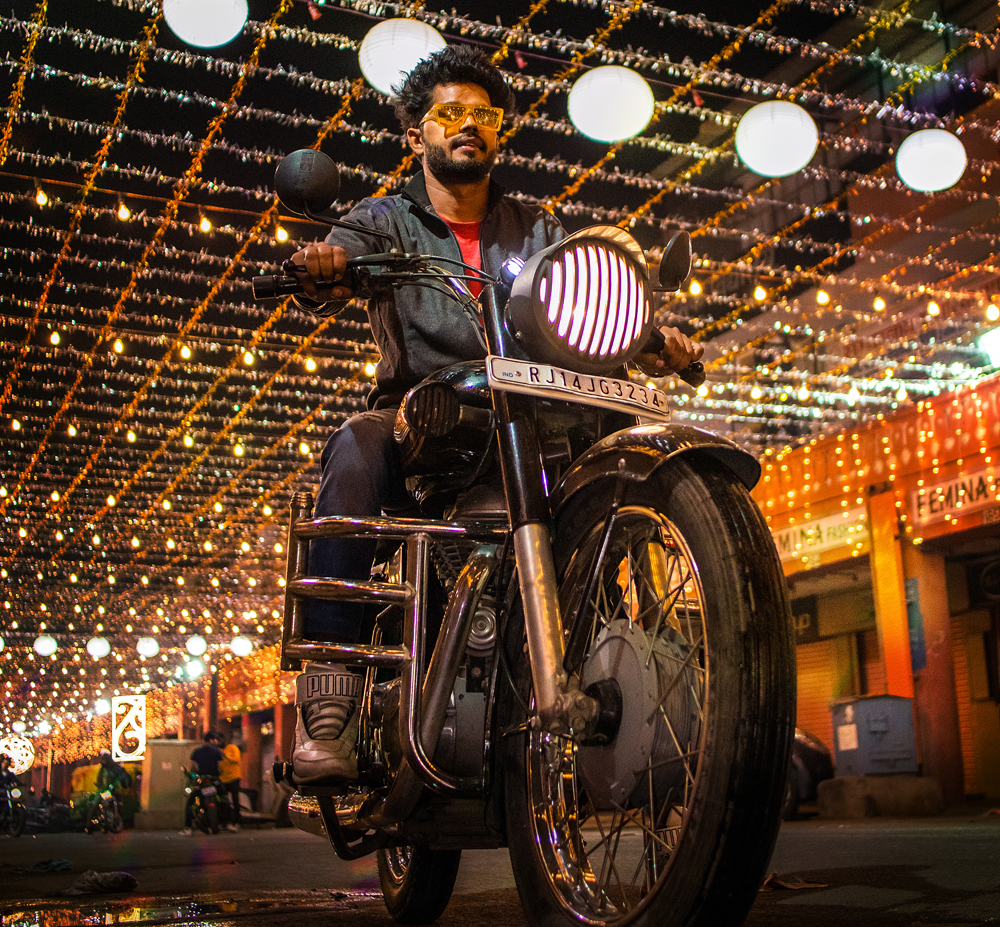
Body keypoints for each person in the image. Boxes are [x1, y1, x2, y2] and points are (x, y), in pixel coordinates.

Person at [287, 44, 703, 783]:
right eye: (449, 113)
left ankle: (625, 653)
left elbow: (581, 302)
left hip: (529, 420)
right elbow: (332, 266)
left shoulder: (539, 226)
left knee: (609, 458)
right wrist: (323, 265)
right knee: (353, 444)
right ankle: (332, 703)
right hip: (425, 416)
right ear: (416, 134)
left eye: (483, 114)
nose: (469, 126)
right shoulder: (383, 219)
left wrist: (648, 337)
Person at [182, 732, 224, 834]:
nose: (216, 742)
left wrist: (194, 776)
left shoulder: (196, 752)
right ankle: (226, 823)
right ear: (211, 740)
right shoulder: (217, 752)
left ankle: (188, 827)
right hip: (214, 780)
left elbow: (192, 767)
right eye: (214, 740)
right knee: (224, 798)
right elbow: (221, 768)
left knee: (190, 803)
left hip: (200, 781)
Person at [219, 735, 243, 830]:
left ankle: (236, 821)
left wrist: (225, 754)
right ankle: (224, 822)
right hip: (223, 779)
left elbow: (236, 759)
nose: (219, 742)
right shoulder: (217, 751)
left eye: (220, 739)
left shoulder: (232, 748)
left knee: (235, 800)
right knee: (224, 801)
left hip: (234, 778)